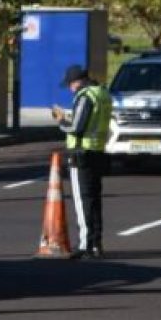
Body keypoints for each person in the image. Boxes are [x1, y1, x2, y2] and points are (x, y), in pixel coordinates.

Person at [51, 64, 113, 259]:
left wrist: (61, 120)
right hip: (97, 150)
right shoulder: (102, 94)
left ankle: (86, 243)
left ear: (76, 82)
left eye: (70, 84)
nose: (70, 89)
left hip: (81, 153)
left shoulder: (84, 96)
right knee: (95, 198)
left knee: (82, 199)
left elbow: (77, 127)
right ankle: (96, 242)